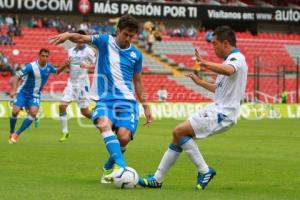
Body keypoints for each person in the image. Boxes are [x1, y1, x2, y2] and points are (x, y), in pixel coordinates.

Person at [139, 26, 248, 190]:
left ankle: (204, 170)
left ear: (226, 43)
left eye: (215, 43)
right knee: (178, 136)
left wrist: (205, 63)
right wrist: (200, 82)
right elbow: (218, 89)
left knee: (179, 131)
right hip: (218, 109)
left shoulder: (237, 58)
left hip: (222, 113)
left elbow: (228, 70)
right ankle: (157, 179)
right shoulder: (229, 61)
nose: (213, 47)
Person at [49, 14, 152, 183]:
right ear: (117, 30)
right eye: (125, 34)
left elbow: (138, 82)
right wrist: (68, 35)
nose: (128, 39)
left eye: (131, 36)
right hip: (104, 100)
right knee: (104, 124)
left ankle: (108, 167)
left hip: (127, 102)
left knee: (124, 138)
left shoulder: (136, 54)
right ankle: (122, 167)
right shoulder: (104, 41)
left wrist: (146, 106)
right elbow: (82, 37)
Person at [8, 48, 69, 144]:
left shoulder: (49, 67)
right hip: (23, 93)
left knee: (33, 113)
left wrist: (64, 66)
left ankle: (17, 134)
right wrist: (13, 90)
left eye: (46, 56)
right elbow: (16, 77)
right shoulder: (30, 66)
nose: (45, 58)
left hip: (35, 95)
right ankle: (11, 131)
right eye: (43, 56)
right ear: (39, 56)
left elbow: (56, 72)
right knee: (15, 111)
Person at [58, 30, 96, 143]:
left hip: (82, 84)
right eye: (77, 38)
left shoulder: (89, 51)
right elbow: (70, 67)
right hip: (71, 83)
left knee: (84, 112)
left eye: (81, 37)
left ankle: (101, 120)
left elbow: (96, 64)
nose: (79, 40)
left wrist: (87, 65)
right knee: (62, 106)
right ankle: (65, 132)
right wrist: (66, 65)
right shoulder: (70, 51)